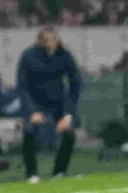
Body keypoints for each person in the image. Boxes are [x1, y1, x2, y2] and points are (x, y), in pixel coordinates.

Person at [16, 27, 81, 183]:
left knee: (69, 133)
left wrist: (68, 114)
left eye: (53, 39)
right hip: (36, 101)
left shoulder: (65, 55)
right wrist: (32, 112)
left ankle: (59, 171)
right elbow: (22, 86)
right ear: (40, 40)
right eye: (46, 39)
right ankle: (32, 173)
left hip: (58, 101)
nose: (50, 42)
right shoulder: (28, 56)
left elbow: (75, 85)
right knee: (29, 131)